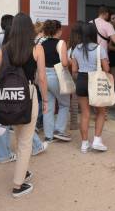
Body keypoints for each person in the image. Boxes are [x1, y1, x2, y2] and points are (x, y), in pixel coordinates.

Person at [0, 12, 48, 198]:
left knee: (18, 134)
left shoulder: (5, 48)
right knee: (25, 142)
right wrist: (46, 100)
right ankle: (18, 185)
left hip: (8, 97)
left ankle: (22, 172)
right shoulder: (37, 49)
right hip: (28, 96)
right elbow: (41, 78)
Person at [72, 23, 110, 153]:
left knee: (85, 114)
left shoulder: (76, 49)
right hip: (96, 81)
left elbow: (74, 70)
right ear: (94, 33)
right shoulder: (100, 49)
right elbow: (106, 69)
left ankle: (84, 144)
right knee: (101, 112)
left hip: (81, 81)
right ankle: (97, 140)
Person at [41, 20, 71, 142]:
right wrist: (70, 61)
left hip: (43, 77)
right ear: (58, 30)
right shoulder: (61, 43)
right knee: (64, 104)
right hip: (56, 76)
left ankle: (48, 136)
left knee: (48, 106)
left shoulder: (42, 44)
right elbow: (64, 63)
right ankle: (59, 130)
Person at [67, 21, 85, 131]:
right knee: (84, 100)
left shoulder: (70, 43)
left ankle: (73, 123)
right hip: (82, 74)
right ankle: (84, 121)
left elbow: (67, 58)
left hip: (72, 73)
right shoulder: (83, 45)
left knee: (74, 99)